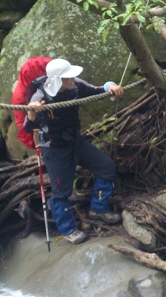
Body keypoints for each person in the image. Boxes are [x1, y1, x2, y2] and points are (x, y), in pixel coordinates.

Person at [24, 58, 124, 244]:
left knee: (107, 167)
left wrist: (110, 86)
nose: (73, 80)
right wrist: (32, 112)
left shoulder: (76, 86)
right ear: (57, 81)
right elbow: (28, 127)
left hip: (76, 141)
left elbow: (96, 89)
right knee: (62, 191)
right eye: (68, 78)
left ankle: (99, 208)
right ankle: (68, 229)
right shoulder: (40, 97)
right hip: (54, 148)